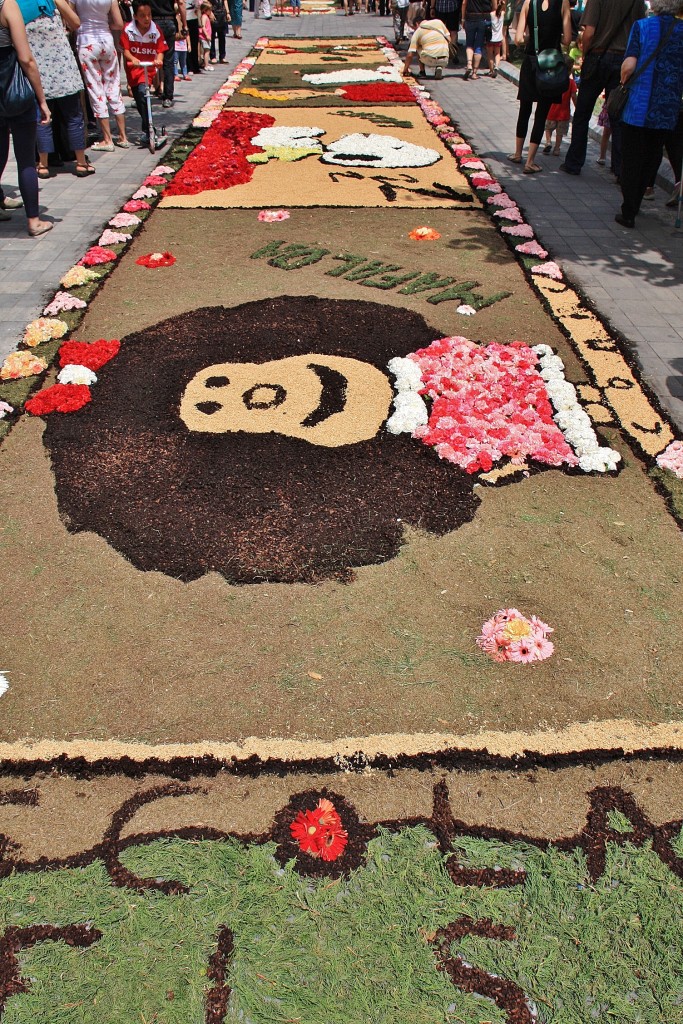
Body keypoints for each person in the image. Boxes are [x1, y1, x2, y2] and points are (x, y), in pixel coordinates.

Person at [615, 0, 683, 228]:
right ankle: (637, 200)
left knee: (631, 156)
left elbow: (629, 66)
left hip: (638, 105)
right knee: (652, 156)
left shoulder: (642, 27)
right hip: (667, 107)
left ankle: (629, 210)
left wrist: (623, 81)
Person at [559, 0, 645, 178]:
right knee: (618, 115)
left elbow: (588, 33)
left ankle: (574, 162)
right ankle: (620, 169)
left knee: (583, 112)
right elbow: (640, 30)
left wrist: (586, 55)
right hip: (623, 61)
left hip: (598, 56)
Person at [20, 0, 92, 178]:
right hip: (64, 69)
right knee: (74, 116)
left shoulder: (17, 6)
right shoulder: (52, 3)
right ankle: (81, 162)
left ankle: (43, 165)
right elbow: (75, 23)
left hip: (37, 71)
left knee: (43, 118)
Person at [0, 0, 53, 235]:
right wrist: (42, 100)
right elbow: (26, 59)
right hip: (13, 91)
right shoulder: (7, 5)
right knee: (25, 159)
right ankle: (33, 220)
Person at [508, 0, 571, 171]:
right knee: (542, 113)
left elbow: (518, 39)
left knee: (525, 109)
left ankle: (517, 153)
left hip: (531, 62)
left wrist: (532, 37)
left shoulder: (529, 3)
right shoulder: (563, 3)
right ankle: (530, 162)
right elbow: (567, 39)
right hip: (550, 65)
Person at [70, 0, 130, 149]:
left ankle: (107, 139)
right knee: (114, 85)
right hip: (107, 40)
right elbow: (119, 23)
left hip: (86, 41)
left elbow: (70, 21)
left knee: (96, 89)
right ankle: (123, 136)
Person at [121, 0, 168, 146]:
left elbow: (160, 50)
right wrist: (132, 58)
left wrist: (159, 60)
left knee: (143, 93)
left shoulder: (156, 30)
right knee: (139, 98)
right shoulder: (128, 30)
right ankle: (148, 128)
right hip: (133, 69)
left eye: (149, 15)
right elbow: (126, 50)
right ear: (135, 16)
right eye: (142, 16)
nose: (147, 19)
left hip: (147, 70)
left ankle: (149, 130)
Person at [149, 0, 186, 106]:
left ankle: (147, 90)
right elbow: (181, 3)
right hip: (169, 21)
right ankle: (168, 96)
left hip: (153, 22)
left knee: (149, 56)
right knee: (168, 61)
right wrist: (184, 25)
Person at [403, 7, 449, 75]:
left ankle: (422, 71)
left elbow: (410, 55)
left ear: (417, 24)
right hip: (445, 59)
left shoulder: (418, 31)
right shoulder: (439, 22)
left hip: (430, 60)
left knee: (417, 46)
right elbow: (449, 39)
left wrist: (405, 69)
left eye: (414, 28)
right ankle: (439, 66)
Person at [542, 60, 576, 153]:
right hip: (564, 112)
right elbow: (573, 96)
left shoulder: (553, 80)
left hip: (551, 110)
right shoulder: (571, 82)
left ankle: (548, 142)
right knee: (559, 132)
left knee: (548, 128)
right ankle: (557, 149)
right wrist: (577, 105)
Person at [462, 0, 495, 79]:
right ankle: (474, 72)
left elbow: (464, 3)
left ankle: (469, 64)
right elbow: (494, 7)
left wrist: (463, 19)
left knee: (469, 44)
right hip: (483, 18)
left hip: (470, 17)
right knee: (478, 45)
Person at [486, 0, 504, 75]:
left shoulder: (490, 14)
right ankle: (496, 66)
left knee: (490, 54)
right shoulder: (502, 14)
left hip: (491, 38)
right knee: (497, 53)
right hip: (499, 38)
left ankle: (491, 70)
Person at [198, 0, 212, 67]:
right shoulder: (204, 17)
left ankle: (205, 63)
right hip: (204, 36)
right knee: (207, 50)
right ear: (205, 10)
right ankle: (206, 65)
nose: (210, 12)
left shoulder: (206, 16)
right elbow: (203, 27)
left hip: (206, 36)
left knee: (207, 50)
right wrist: (206, 35)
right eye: (209, 10)